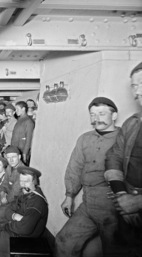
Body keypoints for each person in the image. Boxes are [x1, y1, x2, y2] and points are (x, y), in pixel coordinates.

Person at [55, 97, 121, 257]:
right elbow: (75, 168)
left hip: (114, 207)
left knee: (115, 251)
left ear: (114, 115)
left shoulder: (124, 138)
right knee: (64, 241)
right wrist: (69, 196)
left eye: (101, 113)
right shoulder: (85, 139)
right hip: (88, 203)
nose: (96, 118)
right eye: (92, 114)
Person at [104, 62, 142, 256]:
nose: (138, 92)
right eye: (134, 86)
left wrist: (138, 202)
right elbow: (114, 156)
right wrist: (121, 195)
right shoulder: (132, 123)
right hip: (126, 207)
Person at [0, 145, 26, 223]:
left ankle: (2, 219)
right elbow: (4, 184)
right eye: (8, 157)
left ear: (19, 157)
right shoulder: (9, 167)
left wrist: (2, 201)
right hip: (6, 195)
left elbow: (15, 193)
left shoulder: (23, 172)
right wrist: (2, 194)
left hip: (16, 202)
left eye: (14, 157)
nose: (11, 160)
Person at [11, 101, 35, 165]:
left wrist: (25, 153)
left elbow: (29, 139)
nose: (16, 111)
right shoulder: (20, 119)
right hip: (16, 150)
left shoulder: (28, 121)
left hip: (22, 152)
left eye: (17, 109)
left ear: (23, 109)